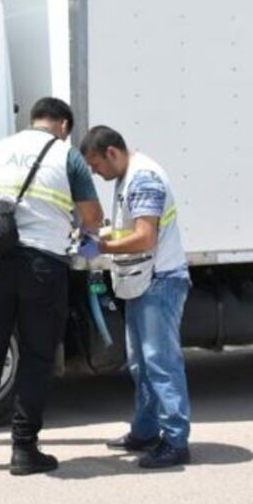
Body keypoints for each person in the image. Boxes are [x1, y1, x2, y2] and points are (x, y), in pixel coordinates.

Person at [0, 97, 103, 475]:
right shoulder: (66, 156)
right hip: (42, 266)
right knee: (37, 357)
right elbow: (92, 217)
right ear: (64, 126)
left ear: (34, 120)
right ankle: (23, 450)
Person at [80, 125, 192, 468]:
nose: (97, 174)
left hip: (159, 281)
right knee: (141, 363)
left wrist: (102, 246)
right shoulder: (126, 178)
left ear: (112, 153)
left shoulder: (143, 179)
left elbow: (146, 237)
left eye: (97, 165)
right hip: (143, 281)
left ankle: (175, 441)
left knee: (160, 362)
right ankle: (145, 432)